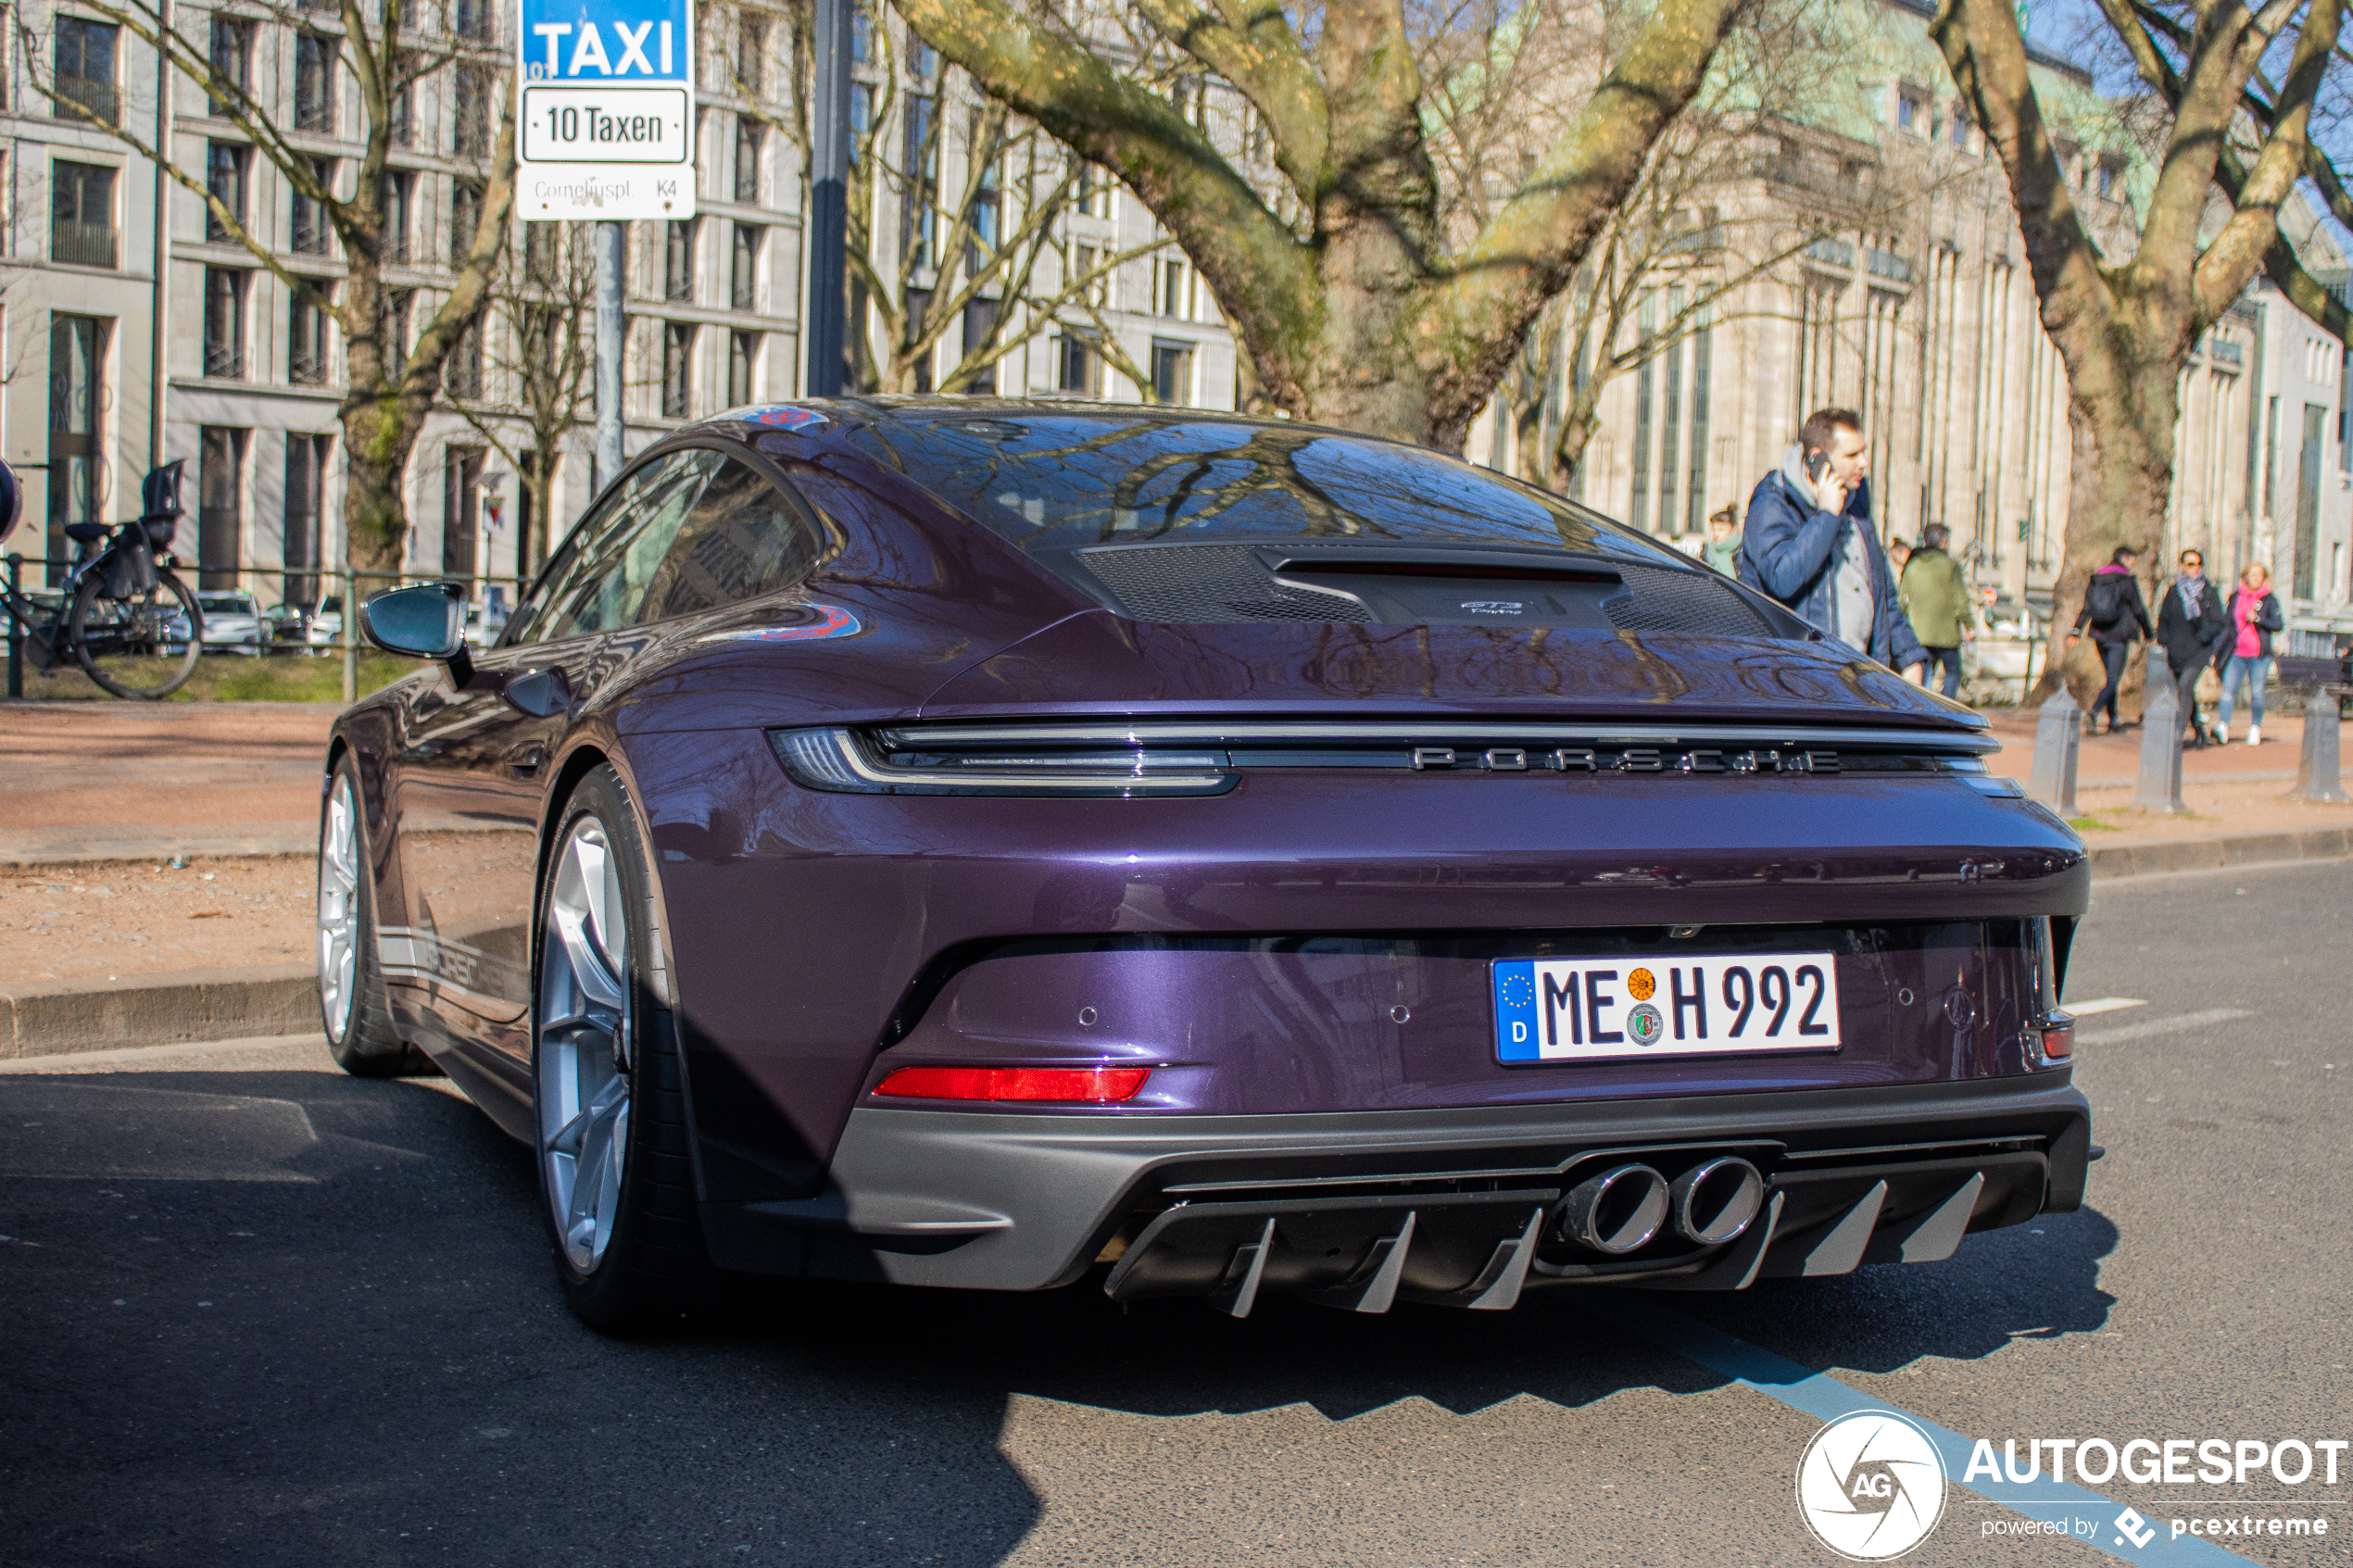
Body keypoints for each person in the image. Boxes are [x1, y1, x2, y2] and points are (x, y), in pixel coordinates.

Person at [1737, 408, 1928, 675]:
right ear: (1817, 457)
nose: (1863, 462)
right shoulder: (1773, 504)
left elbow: (1881, 592)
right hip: (1799, 675)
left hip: (1861, 674)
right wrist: (1826, 516)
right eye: (1851, 455)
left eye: (1863, 451)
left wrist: (1910, 657)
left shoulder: (1856, 502)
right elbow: (1782, 578)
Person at [2066, 546, 2153, 734]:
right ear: (2124, 559)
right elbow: (2138, 608)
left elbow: (2086, 607)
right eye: (2131, 560)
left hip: (2098, 634)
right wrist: (2149, 632)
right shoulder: (2126, 581)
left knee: (2110, 678)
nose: (2132, 564)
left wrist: (2076, 631)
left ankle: (2113, 720)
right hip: (2118, 636)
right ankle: (2093, 712)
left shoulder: (2097, 579)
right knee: (2113, 679)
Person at [2155, 547, 2230, 746]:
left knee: (2185, 686)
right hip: (2176, 650)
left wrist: (2203, 637)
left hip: (2199, 650)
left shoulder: (2209, 592)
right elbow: (2163, 619)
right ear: (2182, 566)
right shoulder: (2173, 592)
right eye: (2189, 564)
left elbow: (2218, 622)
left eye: (2196, 564)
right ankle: (2199, 731)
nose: (2193, 568)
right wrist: (2164, 638)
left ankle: (2177, 734)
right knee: (2184, 692)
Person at [1898, 522, 1975, 700]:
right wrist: (1969, 625)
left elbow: (1901, 600)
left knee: (1923, 675)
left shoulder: (1912, 566)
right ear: (1945, 541)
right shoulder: (1951, 566)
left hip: (1919, 634)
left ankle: (1921, 706)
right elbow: (1961, 600)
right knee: (1953, 673)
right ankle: (1945, 704)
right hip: (1946, 635)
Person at [2214, 561, 2284, 745]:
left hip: (2259, 655)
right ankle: (2223, 726)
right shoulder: (2236, 597)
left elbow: (2278, 625)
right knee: (2228, 690)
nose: (2255, 578)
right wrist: (2217, 650)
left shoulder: (2269, 599)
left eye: (2259, 575)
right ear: (2245, 576)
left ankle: (2255, 727)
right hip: (2236, 652)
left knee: (2257, 691)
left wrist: (2259, 620)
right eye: (2252, 575)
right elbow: (2227, 625)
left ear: (2264, 578)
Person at [1705, 505, 1742, 576]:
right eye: (1713, 530)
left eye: (1721, 530)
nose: (1715, 534)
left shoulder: (1742, 554)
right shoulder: (1706, 554)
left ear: (1734, 530)